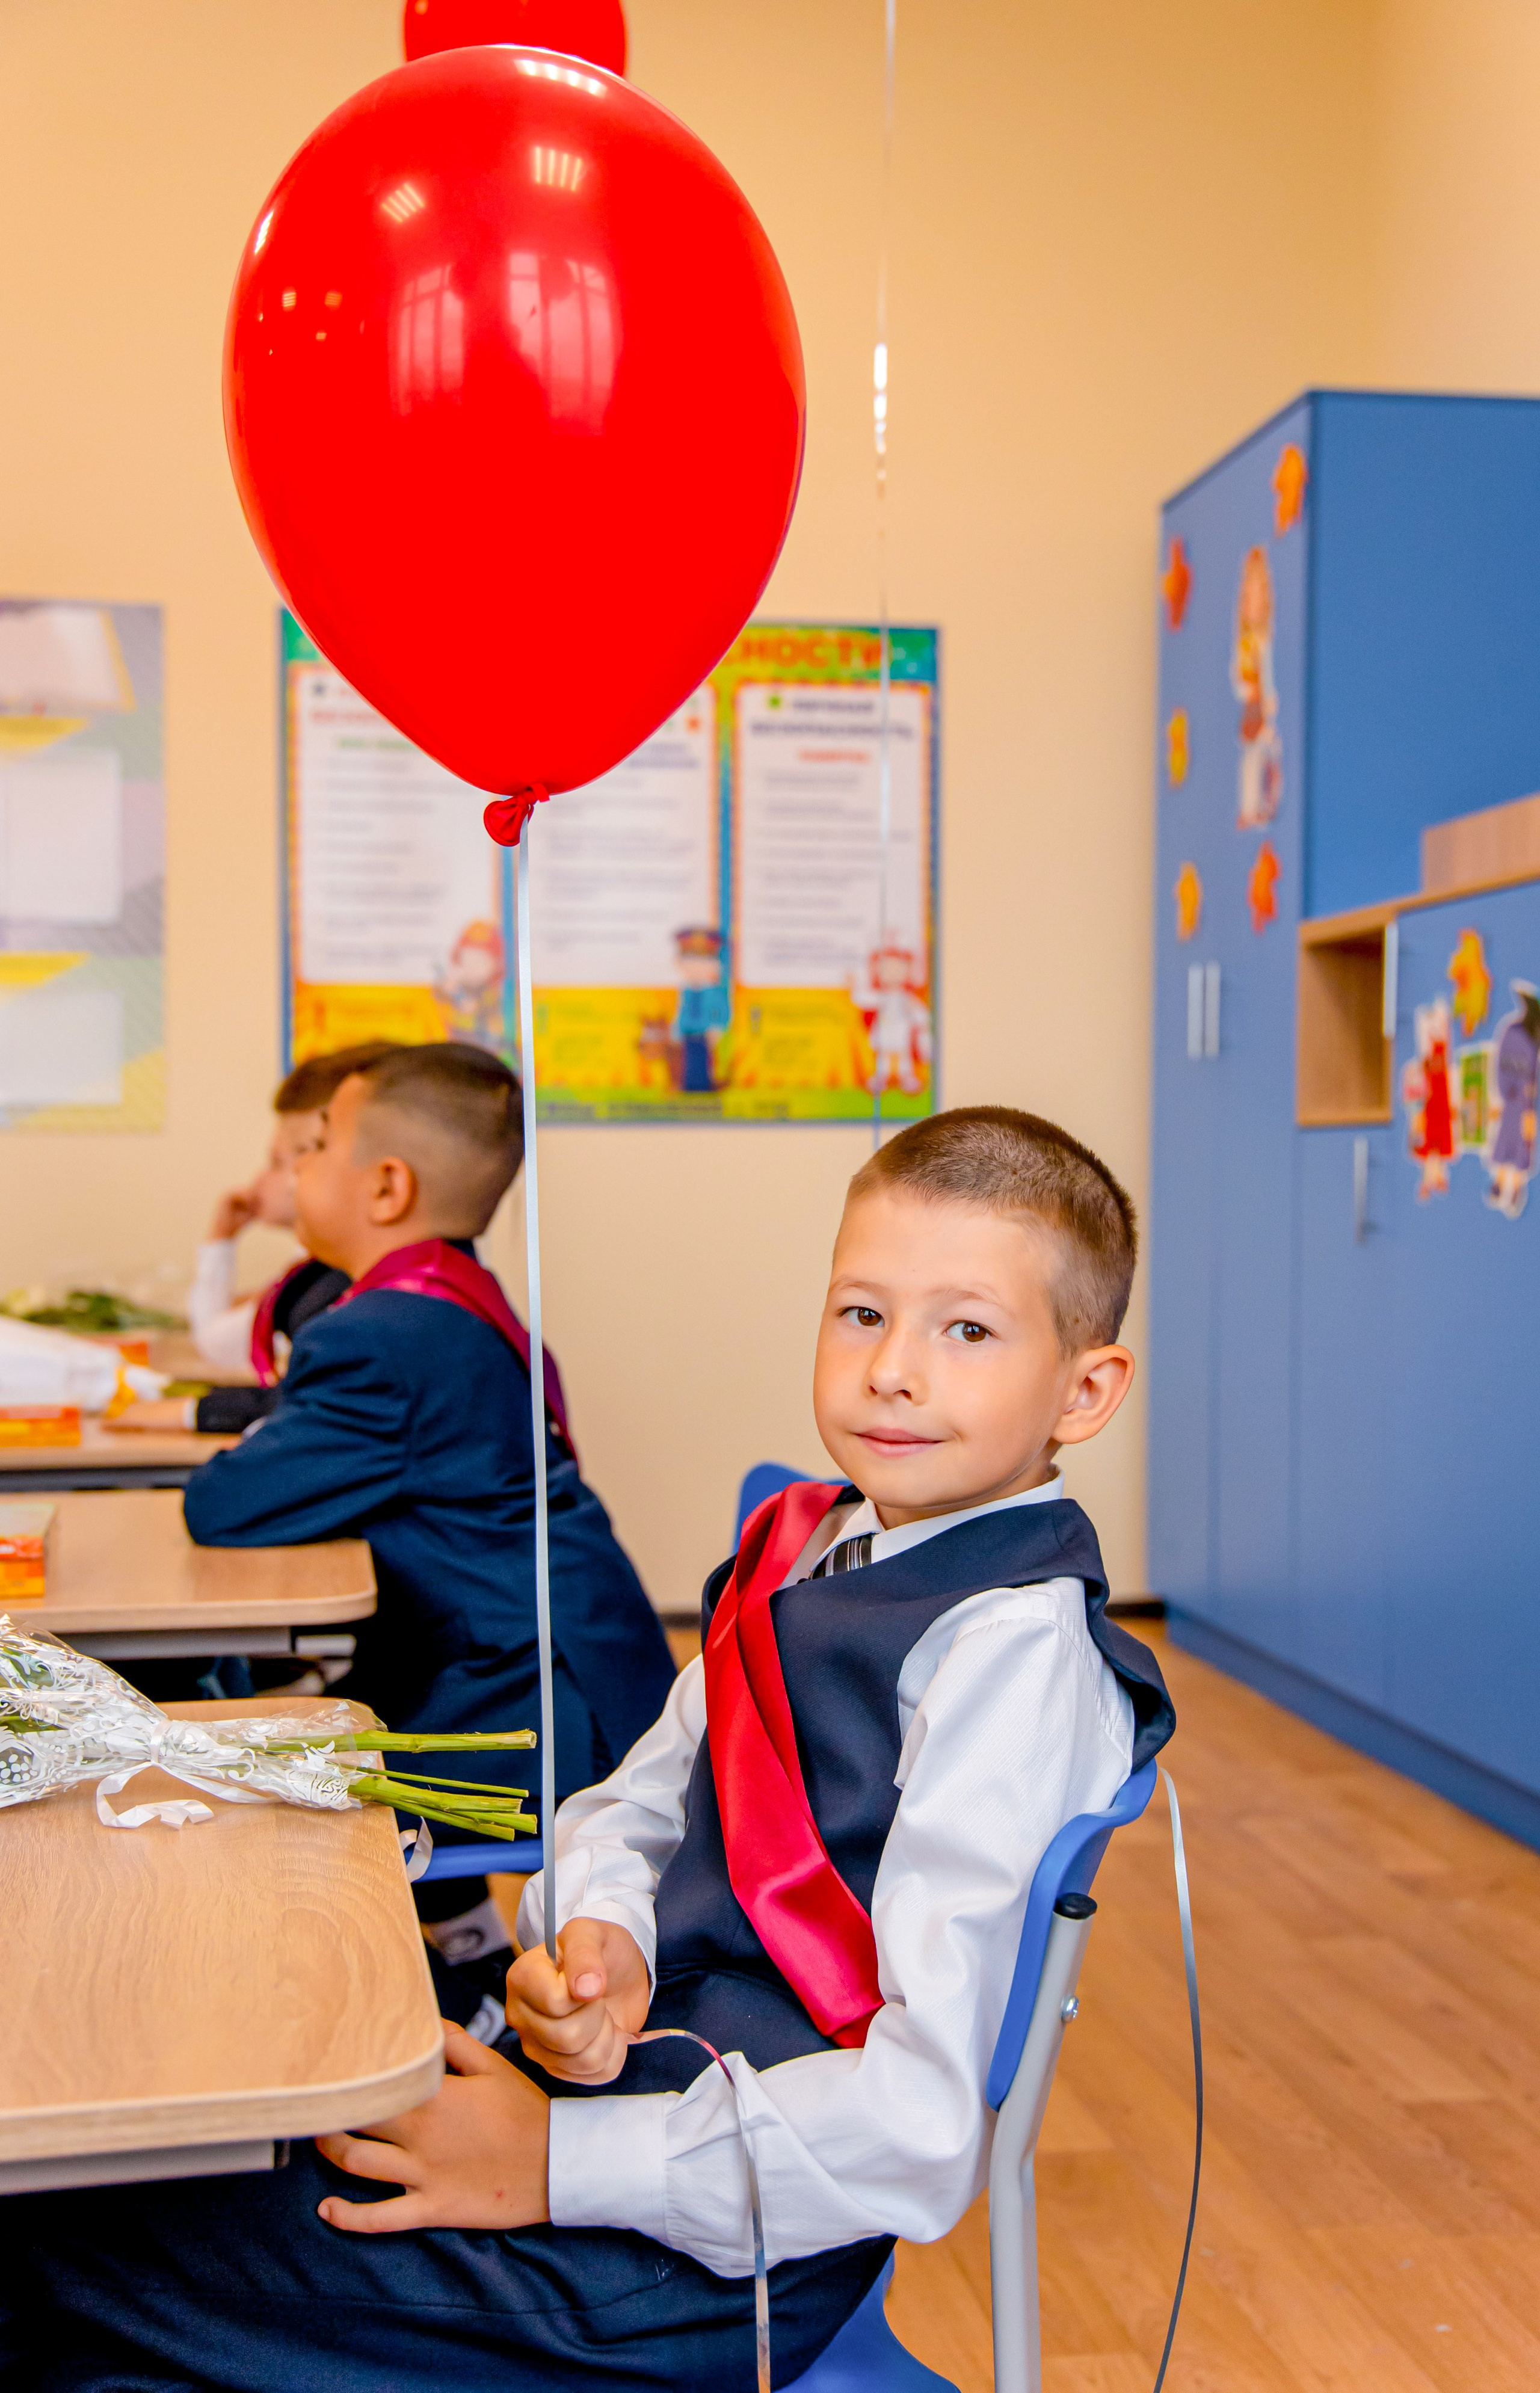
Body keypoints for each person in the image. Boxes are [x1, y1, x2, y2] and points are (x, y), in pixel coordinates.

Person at [1, 1104, 1173, 2391]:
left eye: (965, 1330)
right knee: (162, 2167)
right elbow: (634, 1805)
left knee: (71, 2241)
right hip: (611, 2108)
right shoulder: (812, 1548)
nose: (894, 1368)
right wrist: (607, 1938)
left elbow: (922, 2127)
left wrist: (550, 2166)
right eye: (860, 1313)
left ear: (1085, 1388)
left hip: (704, 2260)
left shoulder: (1011, 1665)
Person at [188, 1042, 675, 2024]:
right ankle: (472, 1968)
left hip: (538, 1713)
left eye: (314, 1146)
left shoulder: (382, 1335)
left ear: (386, 1184)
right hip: (552, 1667)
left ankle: (439, 2014)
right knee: (291, 1714)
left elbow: (226, 1504)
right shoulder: (444, 1295)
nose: (297, 1170)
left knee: (254, 1770)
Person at [116, 1043, 401, 1438]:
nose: (298, 1171)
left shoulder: (361, 1294)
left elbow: (303, 1408)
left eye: (287, 1160)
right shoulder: (319, 1280)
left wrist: (194, 1413)